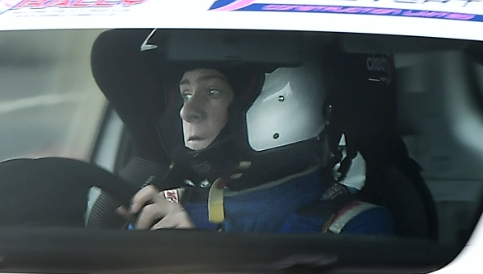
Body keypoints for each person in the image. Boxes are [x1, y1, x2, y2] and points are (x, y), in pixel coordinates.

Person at [126, 63, 393, 235]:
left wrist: (199, 253)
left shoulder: (352, 225)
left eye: (213, 92)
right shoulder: (166, 211)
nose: (187, 112)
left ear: (281, 103)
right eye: (185, 95)